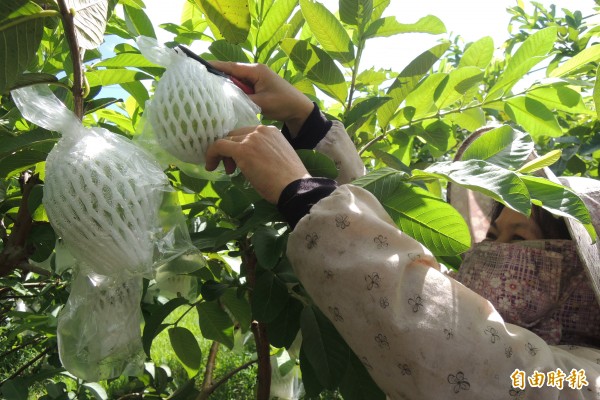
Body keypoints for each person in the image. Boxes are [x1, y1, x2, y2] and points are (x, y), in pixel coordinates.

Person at [205, 61, 600, 399]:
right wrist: (308, 124)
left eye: (520, 238)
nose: (495, 252)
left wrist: (302, 193)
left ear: (580, 276)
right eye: (494, 236)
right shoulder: (502, 323)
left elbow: (468, 356)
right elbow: (403, 273)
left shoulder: (581, 381)